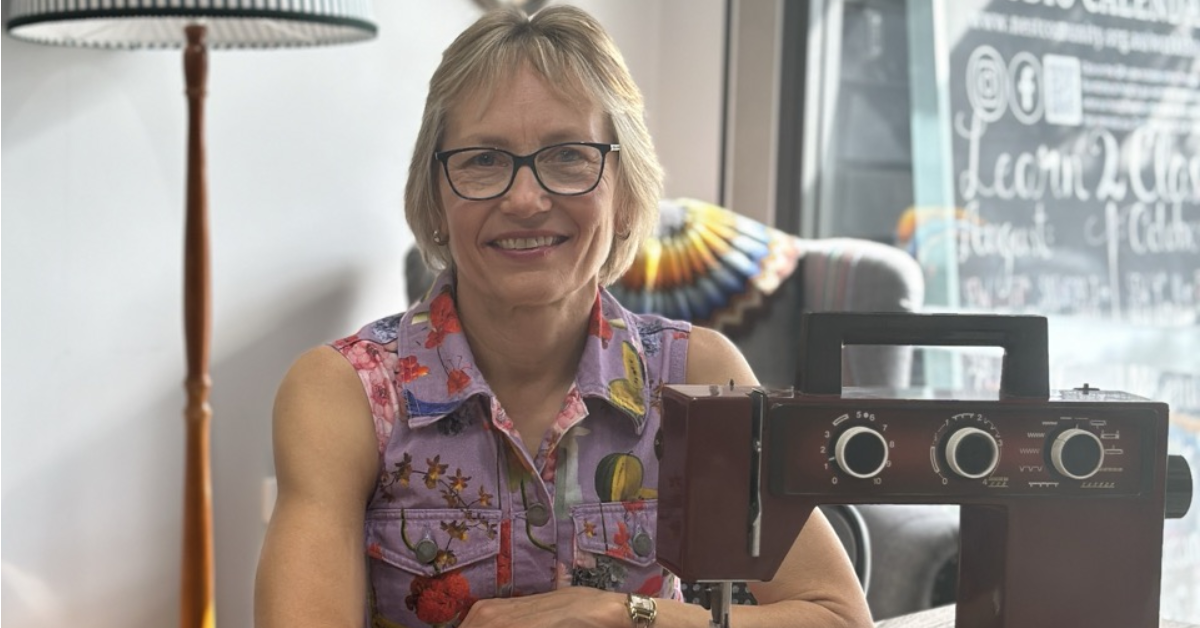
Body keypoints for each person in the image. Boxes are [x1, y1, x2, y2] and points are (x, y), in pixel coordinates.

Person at [255, 5, 873, 628]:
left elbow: (837, 618)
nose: (525, 198)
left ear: (626, 194)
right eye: (483, 160)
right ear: (435, 198)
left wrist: (623, 616)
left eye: (569, 156)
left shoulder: (695, 374)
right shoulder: (343, 395)